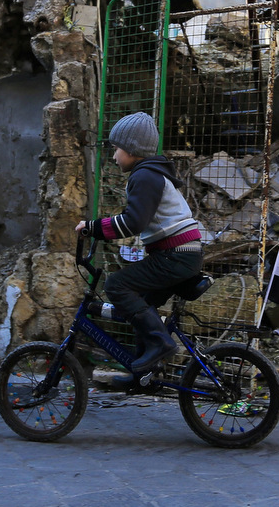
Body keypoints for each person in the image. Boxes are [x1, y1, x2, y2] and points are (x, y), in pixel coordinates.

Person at [76, 111, 204, 373]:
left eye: (116, 148)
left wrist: (92, 228)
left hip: (176, 255)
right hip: (180, 253)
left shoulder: (145, 176)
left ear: (132, 149)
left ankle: (161, 344)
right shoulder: (152, 173)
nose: (113, 156)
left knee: (116, 284)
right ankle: (144, 373)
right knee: (143, 305)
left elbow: (133, 222)